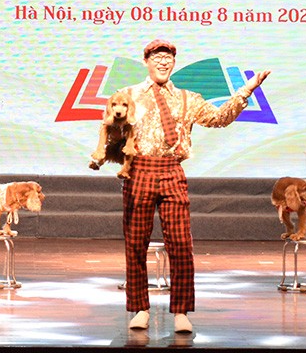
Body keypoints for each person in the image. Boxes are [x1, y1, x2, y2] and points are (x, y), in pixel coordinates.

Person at [112, 38, 269, 335]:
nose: (163, 62)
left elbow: (219, 119)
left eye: (168, 58)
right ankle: (140, 308)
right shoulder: (128, 95)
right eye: (157, 57)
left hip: (172, 171)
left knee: (181, 244)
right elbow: (112, 128)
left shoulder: (188, 98)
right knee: (135, 244)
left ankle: (181, 311)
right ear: (146, 61)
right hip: (139, 171)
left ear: (174, 63)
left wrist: (245, 91)